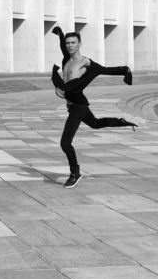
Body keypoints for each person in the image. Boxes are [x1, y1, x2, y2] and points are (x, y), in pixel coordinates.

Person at [50, 26, 137, 188]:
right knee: (95, 124)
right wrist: (60, 35)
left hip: (78, 105)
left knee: (65, 143)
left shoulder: (85, 62)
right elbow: (63, 47)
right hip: (72, 104)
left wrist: (124, 71)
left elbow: (104, 70)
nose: (70, 45)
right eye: (68, 43)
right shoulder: (66, 61)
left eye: (73, 43)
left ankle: (75, 172)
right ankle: (121, 122)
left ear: (79, 44)